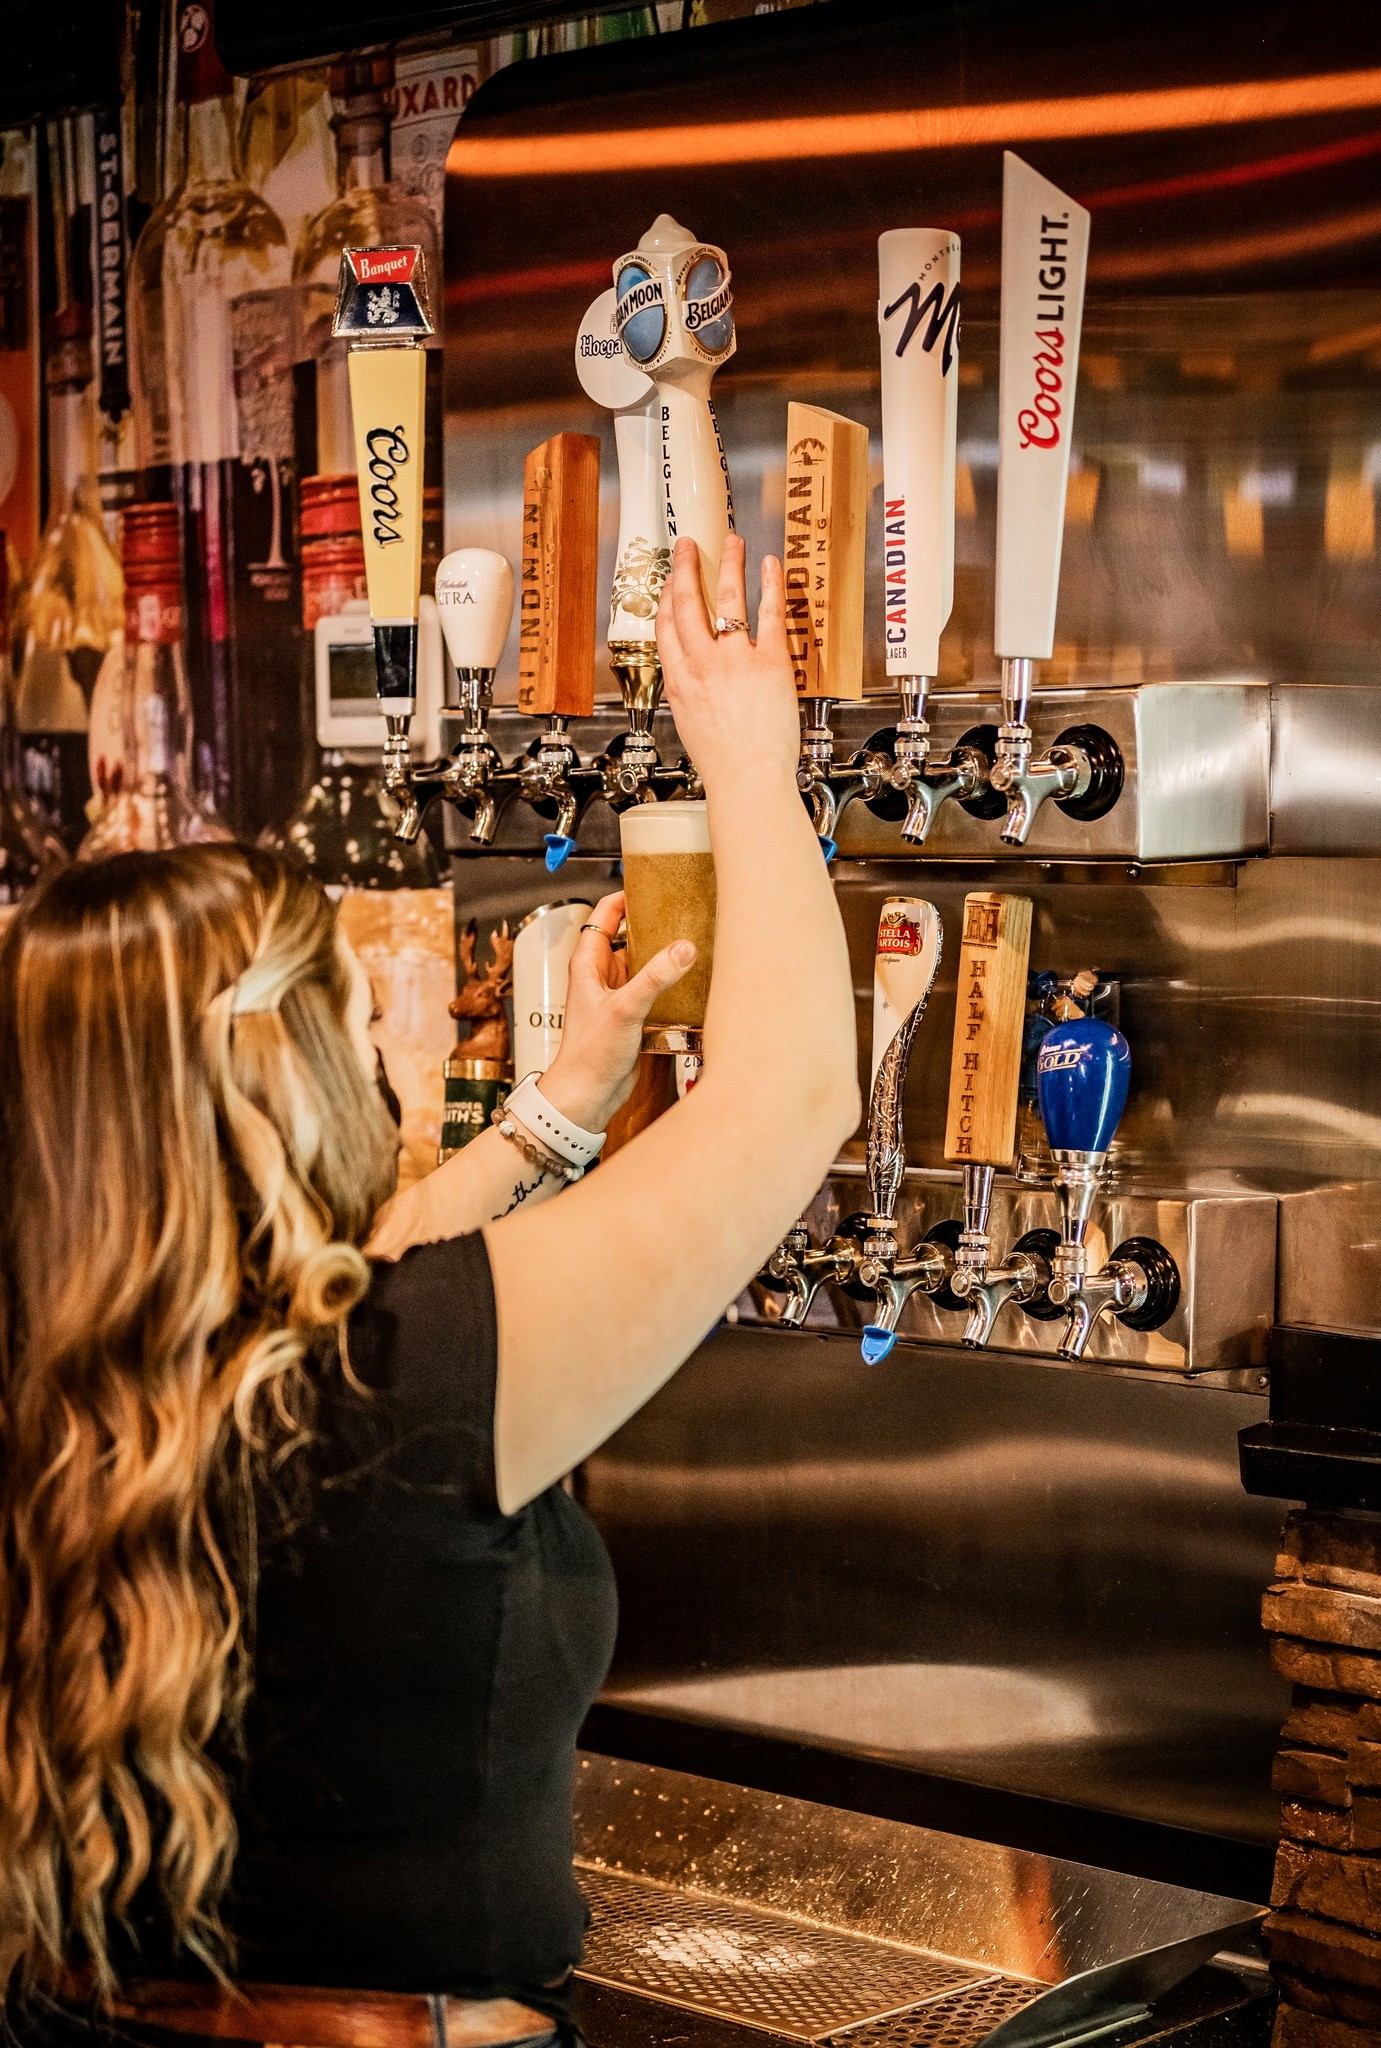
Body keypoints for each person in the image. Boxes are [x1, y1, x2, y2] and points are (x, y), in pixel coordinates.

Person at [0, 536, 857, 2048]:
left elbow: (357, 1276)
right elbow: (791, 1097)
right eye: (348, 1016)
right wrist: (747, 761)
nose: (379, 1056)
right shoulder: (405, 1382)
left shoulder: (60, 1366)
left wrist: (560, 1107)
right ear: (277, 1077)